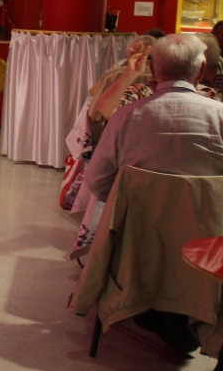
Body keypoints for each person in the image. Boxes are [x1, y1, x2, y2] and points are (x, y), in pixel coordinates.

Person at [85, 34, 223, 352]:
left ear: (154, 69)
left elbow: (97, 181)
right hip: (208, 240)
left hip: (138, 237)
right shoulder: (219, 115)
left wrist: (129, 205)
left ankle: (148, 305)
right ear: (201, 69)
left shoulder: (126, 116)